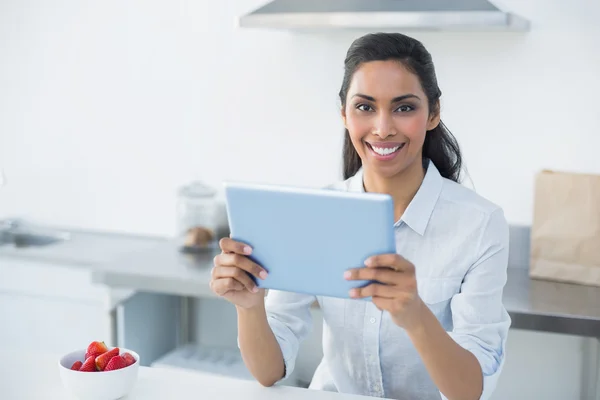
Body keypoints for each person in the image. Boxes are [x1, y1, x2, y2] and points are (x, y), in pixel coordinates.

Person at [209, 32, 511, 400]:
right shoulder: (313, 216)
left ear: (433, 113)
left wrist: (415, 315)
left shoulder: (480, 226)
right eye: (365, 107)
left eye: (404, 108)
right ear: (344, 114)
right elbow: (269, 372)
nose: (382, 128)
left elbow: (470, 391)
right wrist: (250, 306)